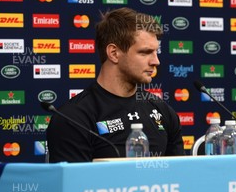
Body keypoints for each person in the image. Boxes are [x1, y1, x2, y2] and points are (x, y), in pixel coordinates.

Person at [46, 8, 184, 162]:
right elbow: (75, 184)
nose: (155, 61)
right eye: (145, 52)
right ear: (113, 53)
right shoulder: (73, 119)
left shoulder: (163, 111)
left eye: (156, 52)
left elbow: (179, 177)